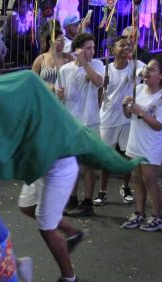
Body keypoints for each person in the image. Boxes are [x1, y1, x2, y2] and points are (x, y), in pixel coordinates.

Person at [120, 57, 162, 232]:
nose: (146, 72)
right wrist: (125, 106)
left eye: (151, 70)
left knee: (149, 179)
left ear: (161, 75)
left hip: (151, 144)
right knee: (137, 179)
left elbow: (159, 125)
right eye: (146, 69)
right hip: (135, 140)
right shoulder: (138, 90)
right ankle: (139, 212)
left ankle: (158, 217)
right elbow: (129, 116)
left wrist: (141, 112)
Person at [18, 157, 84, 282]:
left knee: (47, 228)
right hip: (38, 169)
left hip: (57, 171)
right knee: (27, 206)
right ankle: (73, 233)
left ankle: (69, 278)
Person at [55, 32, 105, 216]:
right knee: (71, 164)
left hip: (90, 121)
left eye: (92, 48)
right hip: (71, 122)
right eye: (88, 48)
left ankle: (88, 202)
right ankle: (72, 198)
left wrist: (84, 62)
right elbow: (60, 98)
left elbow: (99, 82)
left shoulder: (98, 65)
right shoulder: (65, 70)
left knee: (89, 165)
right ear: (78, 49)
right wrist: (58, 95)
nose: (91, 51)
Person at [97, 37, 143, 206]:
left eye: (128, 45)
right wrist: (102, 86)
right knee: (106, 157)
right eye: (122, 45)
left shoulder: (136, 66)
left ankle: (125, 186)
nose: (126, 47)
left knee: (126, 154)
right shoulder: (105, 70)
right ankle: (102, 191)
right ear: (112, 50)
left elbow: (144, 73)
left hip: (127, 118)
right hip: (107, 118)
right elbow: (99, 100)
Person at [31, 22, 74, 89]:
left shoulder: (69, 58)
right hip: (45, 96)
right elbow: (32, 81)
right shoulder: (41, 58)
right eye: (60, 40)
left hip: (62, 96)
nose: (63, 42)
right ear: (51, 42)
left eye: (64, 40)